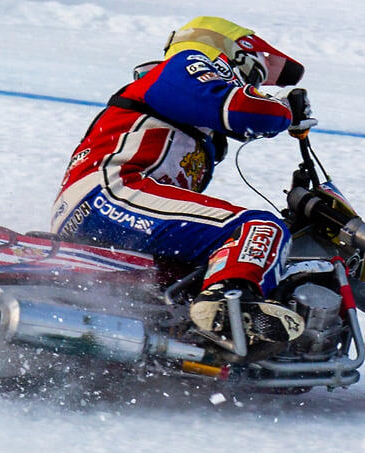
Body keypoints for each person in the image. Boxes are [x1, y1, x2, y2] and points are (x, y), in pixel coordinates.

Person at [51, 16, 317, 351]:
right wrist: (284, 110)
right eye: (255, 76)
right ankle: (230, 306)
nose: (256, 87)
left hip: (101, 204)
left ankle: (184, 329)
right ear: (234, 54)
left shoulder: (176, 106)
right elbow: (244, 110)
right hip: (113, 191)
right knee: (259, 228)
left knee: (204, 260)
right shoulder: (185, 64)